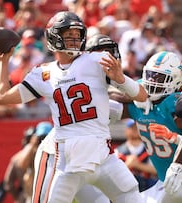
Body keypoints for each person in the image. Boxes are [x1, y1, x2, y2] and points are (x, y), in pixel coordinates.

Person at [0, 11, 147, 203]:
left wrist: (121, 79)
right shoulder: (44, 73)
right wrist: (2, 62)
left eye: (77, 35)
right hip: (68, 159)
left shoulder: (94, 60)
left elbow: (141, 95)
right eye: (69, 35)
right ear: (54, 37)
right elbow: (2, 96)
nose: (75, 40)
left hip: (103, 153)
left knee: (132, 198)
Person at [32, 32, 126, 203]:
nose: (105, 58)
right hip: (56, 156)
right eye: (99, 53)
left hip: (86, 160)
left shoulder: (113, 90)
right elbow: (118, 100)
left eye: (109, 53)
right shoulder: (75, 80)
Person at [109, 51, 182, 203]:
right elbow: (112, 96)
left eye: (160, 77)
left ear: (176, 80)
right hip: (164, 182)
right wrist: (136, 96)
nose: (153, 82)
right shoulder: (138, 97)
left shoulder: (175, 103)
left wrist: (137, 97)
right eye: (150, 75)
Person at [115, 119, 158, 192]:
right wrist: (127, 165)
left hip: (147, 187)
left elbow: (156, 170)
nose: (135, 130)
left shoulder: (150, 149)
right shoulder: (118, 151)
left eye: (137, 127)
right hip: (126, 187)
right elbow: (114, 173)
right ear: (126, 130)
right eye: (132, 128)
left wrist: (137, 165)